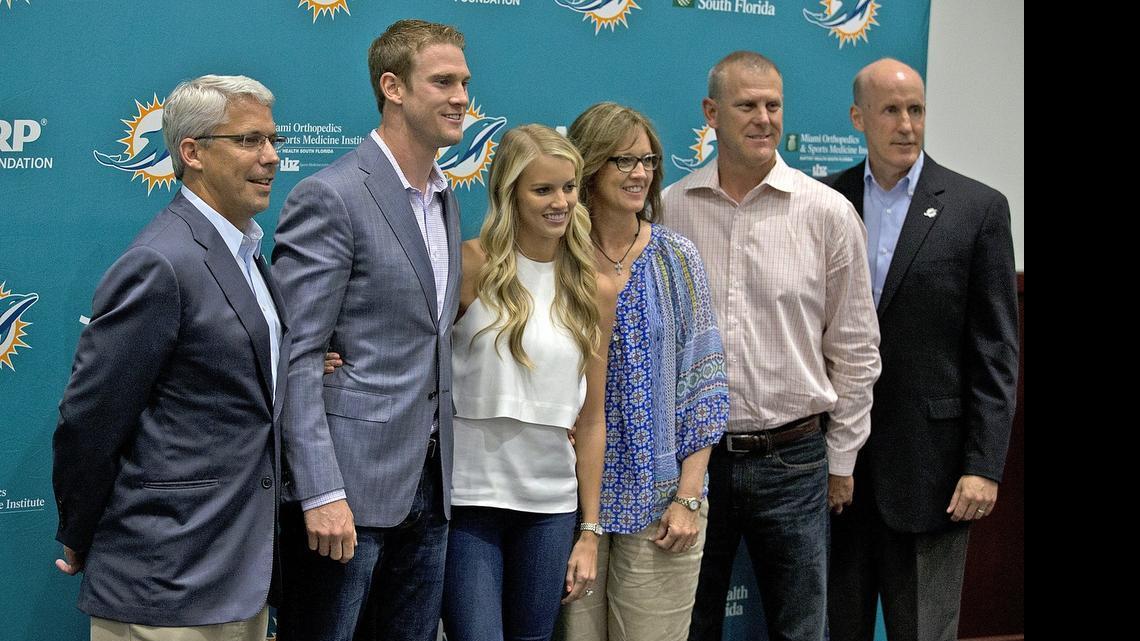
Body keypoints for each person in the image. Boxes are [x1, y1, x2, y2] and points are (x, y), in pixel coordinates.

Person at [52, 74, 287, 641]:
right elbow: (91, 419)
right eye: (249, 140)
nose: (272, 157)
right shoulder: (161, 261)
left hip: (238, 569)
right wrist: (81, 530)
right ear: (192, 153)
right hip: (165, 578)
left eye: (274, 140)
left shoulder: (249, 251)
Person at [662, 51, 881, 641]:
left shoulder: (828, 214)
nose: (763, 118)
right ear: (711, 113)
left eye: (773, 105)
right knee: (686, 625)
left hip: (796, 460)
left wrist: (842, 460)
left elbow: (857, 350)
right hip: (692, 465)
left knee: (802, 627)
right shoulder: (667, 211)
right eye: (746, 105)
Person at [270, 19, 467, 641]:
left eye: (464, 81)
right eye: (443, 81)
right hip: (346, 496)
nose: (462, 96)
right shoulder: (330, 196)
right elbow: (297, 358)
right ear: (393, 88)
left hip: (431, 489)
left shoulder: (447, 197)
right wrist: (320, 490)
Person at [825, 58, 1019, 641]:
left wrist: (983, 466)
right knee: (837, 628)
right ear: (858, 117)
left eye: (917, 110)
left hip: (934, 474)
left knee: (924, 631)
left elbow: (996, 350)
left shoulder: (977, 208)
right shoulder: (824, 201)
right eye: (891, 110)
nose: (907, 124)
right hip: (837, 470)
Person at [558, 102, 729, 641]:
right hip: (564, 505)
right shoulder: (554, 256)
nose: (640, 174)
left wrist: (688, 497)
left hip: (660, 505)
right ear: (587, 168)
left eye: (648, 160)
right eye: (622, 160)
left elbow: (702, 385)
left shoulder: (676, 256)